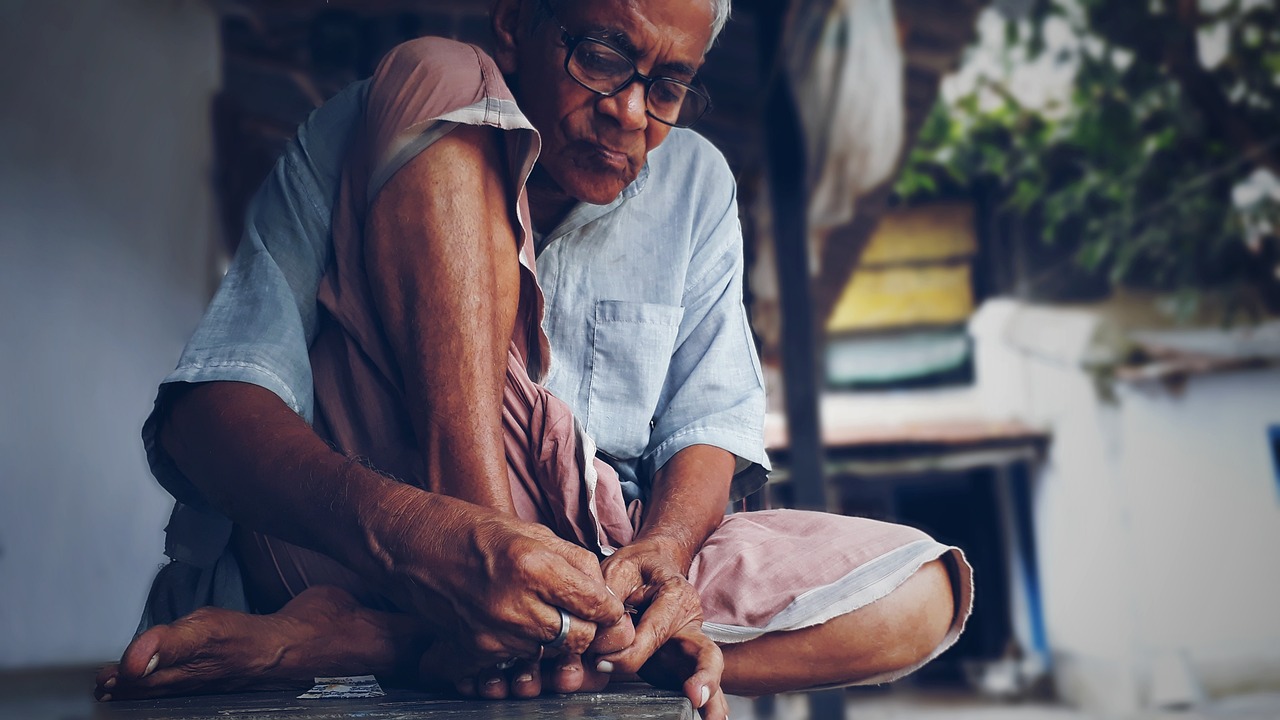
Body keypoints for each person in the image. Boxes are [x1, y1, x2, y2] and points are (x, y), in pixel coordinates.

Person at [94, 1, 972, 718]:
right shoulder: (364, 127)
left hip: (587, 576)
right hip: (376, 544)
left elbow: (708, 426)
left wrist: (663, 551)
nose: (631, 110)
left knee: (925, 592)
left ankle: (409, 642)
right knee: (433, 70)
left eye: (668, 84)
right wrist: (432, 538)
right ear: (515, 21)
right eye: (601, 55)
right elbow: (209, 419)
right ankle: (477, 609)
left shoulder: (697, 184)